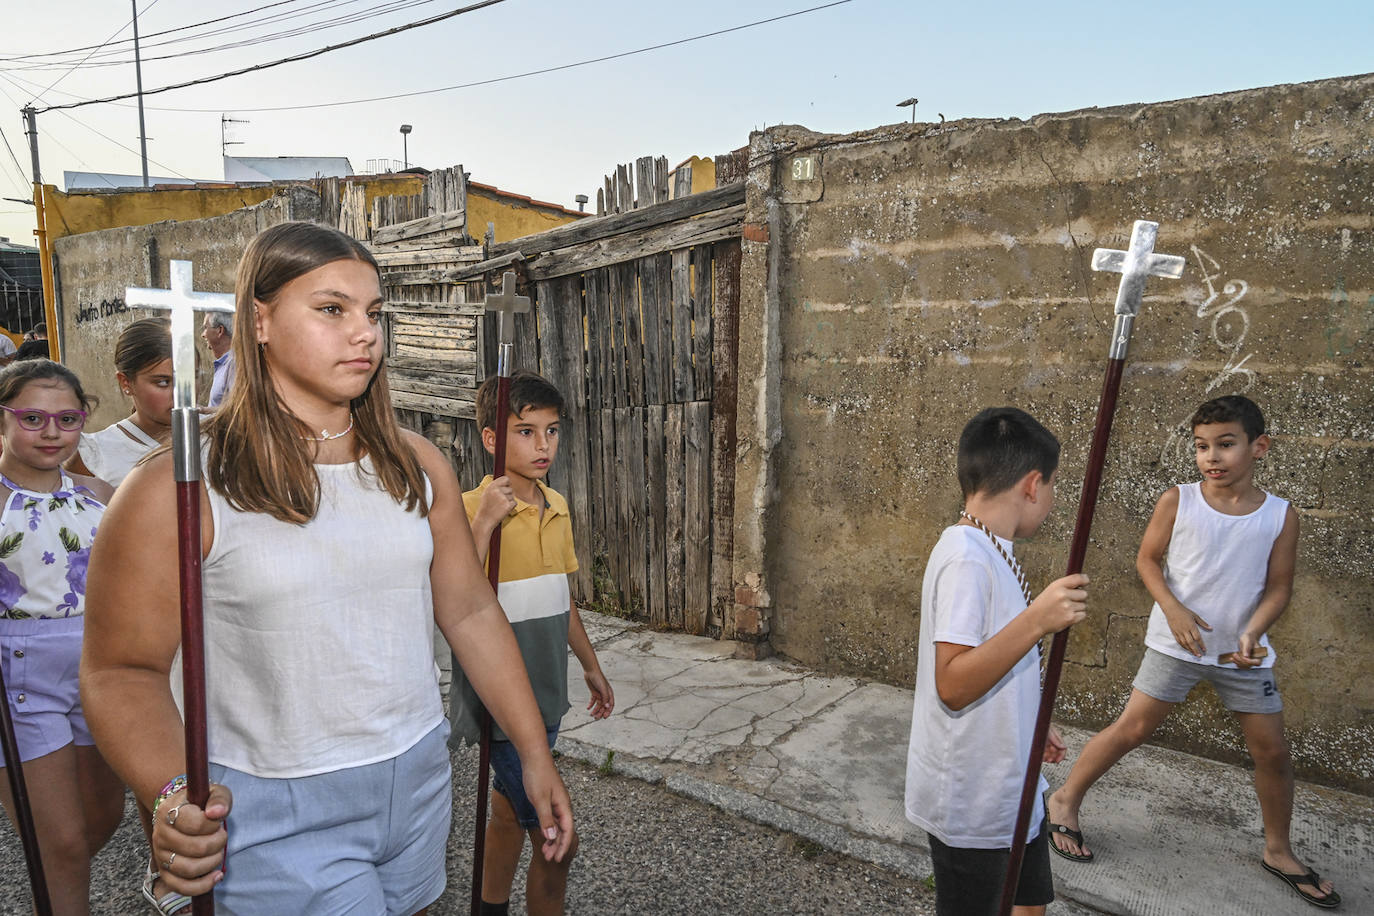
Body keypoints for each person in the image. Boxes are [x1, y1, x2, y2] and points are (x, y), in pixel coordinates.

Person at [80, 221, 573, 915]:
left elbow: (467, 609)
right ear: (259, 320)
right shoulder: (181, 487)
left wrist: (533, 751)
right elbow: (118, 670)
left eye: (374, 314)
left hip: (418, 779)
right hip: (272, 802)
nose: (365, 333)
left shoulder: (416, 465)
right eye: (332, 309)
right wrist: (169, 793)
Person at [1046, 395, 1340, 908]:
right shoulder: (1177, 500)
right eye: (1202, 446)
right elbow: (1147, 560)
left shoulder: (1280, 516)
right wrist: (1174, 610)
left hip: (1242, 657)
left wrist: (1254, 631)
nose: (1212, 457)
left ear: (1259, 446)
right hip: (1174, 645)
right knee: (1132, 728)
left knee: (1272, 752)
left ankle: (1278, 849)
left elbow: (1278, 588)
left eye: (1226, 444)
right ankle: (1064, 800)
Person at [904, 406, 1089, 916]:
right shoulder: (966, 557)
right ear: (1033, 484)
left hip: (1011, 782)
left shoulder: (991, 547)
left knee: (1029, 906)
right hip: (973, 798)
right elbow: (954, 683)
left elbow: (997, 656)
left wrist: (1031, 721)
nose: (1051, 502)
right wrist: (1037, 620)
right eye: (1052, 487)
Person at [450, 370, 613, 916]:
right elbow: (454, 599)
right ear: (492, 438)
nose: (543, 445)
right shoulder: (469, 507)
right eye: (525, 431)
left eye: (552, 431)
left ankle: (488, 907)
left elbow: (559, 599)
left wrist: (590, 666)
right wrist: (484, 526)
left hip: (547, 692)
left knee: (506, 813)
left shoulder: (557, 506)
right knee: (556, 837)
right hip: (499, 702)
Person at [0, 359, 123, 915]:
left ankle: (51, 886)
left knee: (104, 817)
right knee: (62, 840)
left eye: (67, 418)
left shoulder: (100, 494)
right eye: (32, 418)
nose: (51, 432)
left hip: (99, 672)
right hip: (20, 681)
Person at [67, 317, 172, 488]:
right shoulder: (95, 455)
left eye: (193, 376)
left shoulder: (217, 434)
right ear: (126, 382)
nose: (181, 392)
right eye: (162, 382)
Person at [201, 311, 235, 408]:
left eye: (205, 328)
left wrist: (204, 411)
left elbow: (239, 411)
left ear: (220, 330)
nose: (203, 335)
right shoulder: (224, 364)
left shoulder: (234, 364)